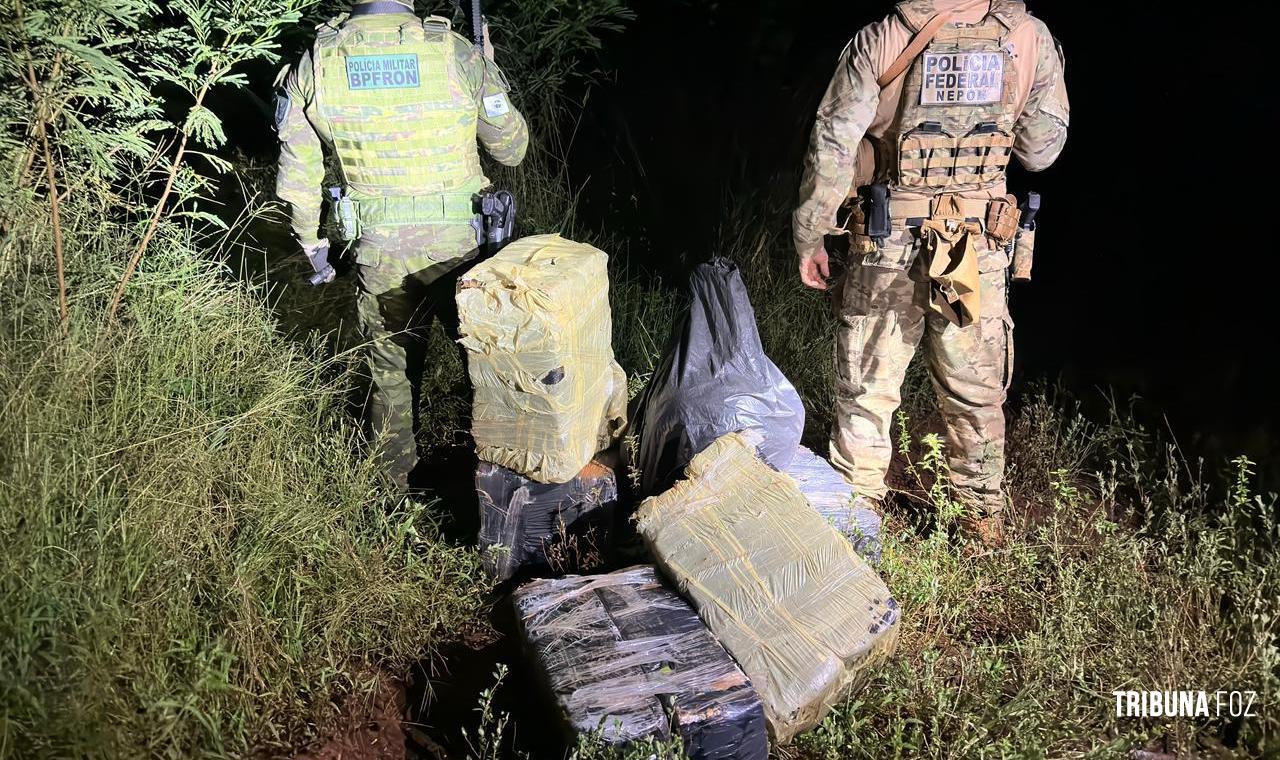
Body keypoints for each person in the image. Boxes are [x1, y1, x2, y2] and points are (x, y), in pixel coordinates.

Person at [792, 0, 1069, 544]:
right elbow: (1041, 152)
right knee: (975, 391)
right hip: (975, 246)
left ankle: (854, 521)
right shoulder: (1029, 38)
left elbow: (833, 143)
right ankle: (979, 523)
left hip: (886, 240)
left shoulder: (885, 36)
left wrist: (811, 233)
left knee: (867, 388)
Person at [274, 0, 529, 492]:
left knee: (390, 371)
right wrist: (488, 67)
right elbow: (512, 150)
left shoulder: (318, 59)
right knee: (488, 367)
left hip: (378, 254)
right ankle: (501, 490)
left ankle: (392, 497)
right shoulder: (454, 51)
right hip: (460, 251)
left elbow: (298, 176)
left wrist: (311, 242)